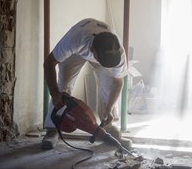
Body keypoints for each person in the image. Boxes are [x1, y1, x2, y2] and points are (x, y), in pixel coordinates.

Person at [42, 18, 132, 150]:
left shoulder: (118, 54)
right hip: (76, 51)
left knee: (108, 84)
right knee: (63, 84)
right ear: (92, 50)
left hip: (97, 49)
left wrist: (109, 108)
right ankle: (52, 128)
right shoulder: (74, 40)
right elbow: (49, 63)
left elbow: (117, 83)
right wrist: (55, 93)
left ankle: (107, 126)